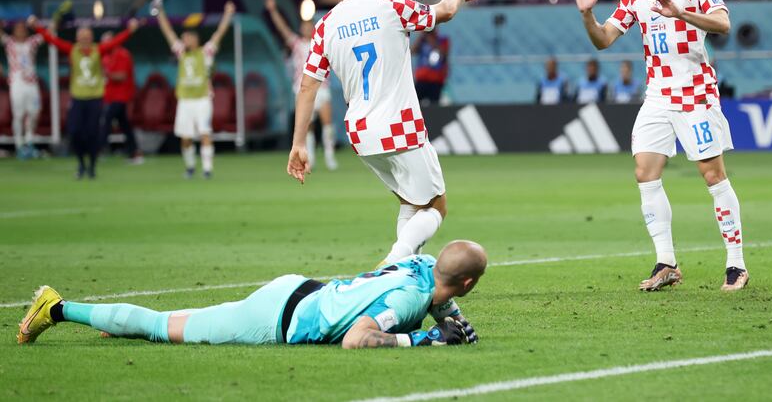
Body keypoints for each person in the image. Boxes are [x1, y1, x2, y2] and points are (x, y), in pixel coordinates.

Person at [575, 0, 749, 292]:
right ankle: (666, 262)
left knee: (713, 175)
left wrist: (680, 13)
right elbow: (604, 39)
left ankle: (736, 264)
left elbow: (722, 25)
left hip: (695, 94)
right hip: (657, 96)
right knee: (644, 172)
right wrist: (588, 13)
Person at [287, 0, 477, 265]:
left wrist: (299, 143)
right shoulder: (391, 8)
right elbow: (443, 13)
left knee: (410, 202)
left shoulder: (326, 25)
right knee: (435, 205)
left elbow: (308, 86)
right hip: (399, 126)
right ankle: (393, 264)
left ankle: (401, 272)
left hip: (361, 134)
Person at [17, 239, 486, 349]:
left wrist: (452, 319)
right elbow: (357, 339)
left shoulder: (423, 265)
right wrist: (426, 340)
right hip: (274, 319)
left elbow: (441, 295)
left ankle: (115, 327)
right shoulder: (407, 303)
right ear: (469, 281)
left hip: (298, 288)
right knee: (163, 326)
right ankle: (56, 307)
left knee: (173, 318)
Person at [32, 17, 139, 179]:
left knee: (92, 133)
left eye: (87, 36)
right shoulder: (72, 50)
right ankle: (81, 162)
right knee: (74, 131)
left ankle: (92, 166)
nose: (84, 39)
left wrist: (130, 31)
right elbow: (52, 40)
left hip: (95, 98)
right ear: (77, 38)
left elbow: (116, 41)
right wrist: (37, 27)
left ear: (91, 37)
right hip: (78, 98)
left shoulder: (98, 50)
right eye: (81, 36)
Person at [154, 0, 235, 179]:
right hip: (185, 99)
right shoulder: (181, 53)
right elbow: (167, 32)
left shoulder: (205, 52)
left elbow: (219, 33)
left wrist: (228, 15)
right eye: (184, 38)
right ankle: (190, 166)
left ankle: (207, 169)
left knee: (205, 133)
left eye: (188, 38)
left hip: (202, 98)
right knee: (186, 138)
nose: (185, 40)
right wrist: (160, 11)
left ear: (196, 39)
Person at [265, 0, 337, 171]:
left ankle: (329, 155)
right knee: (308, 125)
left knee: (327, 122)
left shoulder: (320, 43)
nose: (306, 29)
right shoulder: (296, 44)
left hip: (322, 87)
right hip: (302, 87)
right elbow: (282, 29)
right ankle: (310, 155)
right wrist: (273, 10)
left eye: (309, 26)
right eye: (303, 27)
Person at [0, 19, 44, 159]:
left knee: (34, 112)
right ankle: (19, 145)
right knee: (18, 114)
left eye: (23, 28)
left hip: (31, 82)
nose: (21, 31)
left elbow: (48, 34)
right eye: (18, 28)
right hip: (16, 82)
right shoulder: (9, 42)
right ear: (13, 31)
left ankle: (29, 141)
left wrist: (36, 25)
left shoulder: (32, 42)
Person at [100, 29, 144, 164]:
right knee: (124, 124)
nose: (104, 44)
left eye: (107, 41)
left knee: (106, 120)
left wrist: (105, 74)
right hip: (109, 96)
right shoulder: (105, 56)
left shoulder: (123, 54)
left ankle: (98, 149)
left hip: (121, 96)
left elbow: (122, 76)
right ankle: (135, 152)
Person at [411, 30, 450, 105]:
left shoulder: (443, 39)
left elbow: (444, 53)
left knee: (434, 105)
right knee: (414, 104)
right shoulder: (422, 40)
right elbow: (412, 51)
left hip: (436, 79)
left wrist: (429, 38)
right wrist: (420, 37)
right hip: (421, 79)